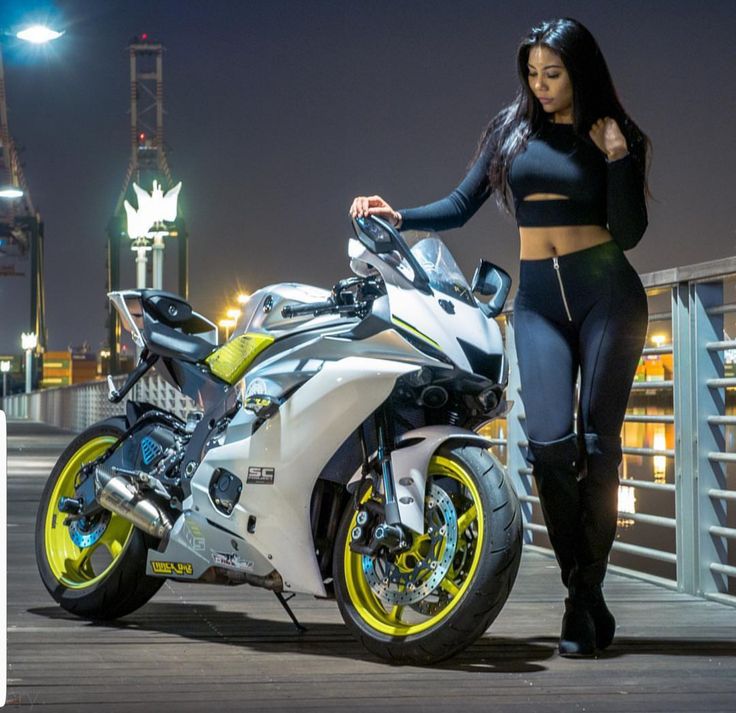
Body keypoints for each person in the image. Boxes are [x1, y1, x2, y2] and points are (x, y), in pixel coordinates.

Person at [349, 17, 650, 658]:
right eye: (533, 74)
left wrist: (619, 157)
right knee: (547, 447)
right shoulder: (509, 133)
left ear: (581, 71)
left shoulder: (615, 135)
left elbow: (628, 233)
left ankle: (580, 601)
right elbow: (461, 206)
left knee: (598, 449)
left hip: (608, 299)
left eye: (554, 73)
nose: (541, 86)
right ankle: (587, 593)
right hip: (537, 302)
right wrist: (398, 214)